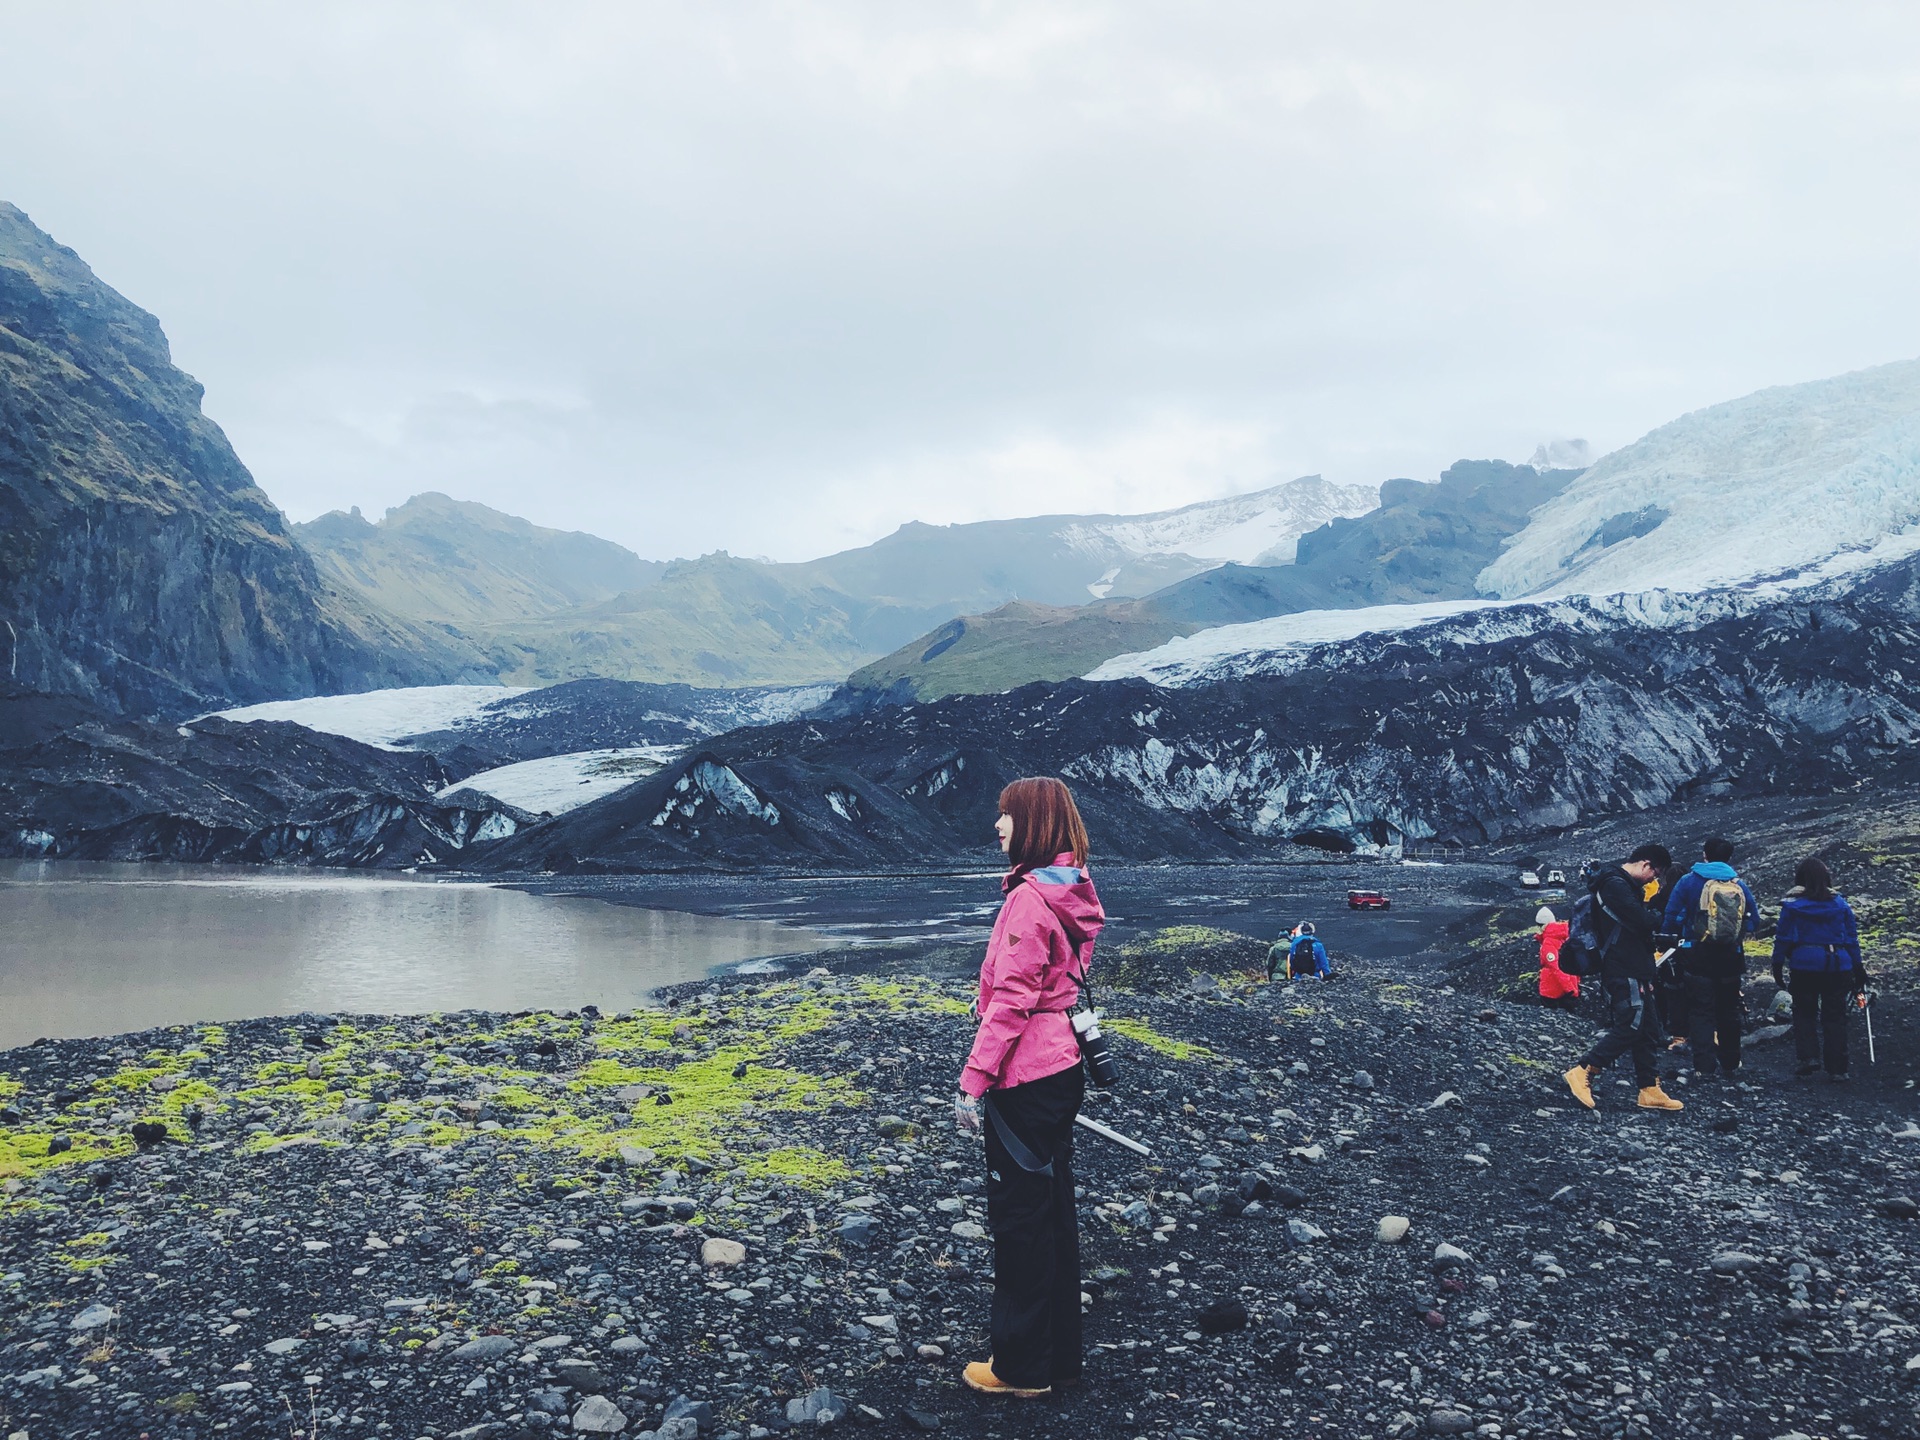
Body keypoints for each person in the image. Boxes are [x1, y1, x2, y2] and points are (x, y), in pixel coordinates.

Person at [955, 776, 1103, 1398]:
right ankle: (1058, 1358)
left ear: (1035, 822)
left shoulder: (1026, 900)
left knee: (1020, 1220)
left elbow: (1013, 1000)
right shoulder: (1068, 892)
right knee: (1051, 1213)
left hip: (1028, 1073)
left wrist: (973, 1079)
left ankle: (1019, 1369)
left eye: (1007, 816)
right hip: (1063, 1066)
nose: (998, 826)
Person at [1563, 843, 1685, 1112]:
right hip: (1622, 967)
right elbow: (1642, 921)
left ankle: (1649, 1089)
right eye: (1656, 873)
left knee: (1649, 1028)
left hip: (1635, 966)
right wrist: (1655, 916)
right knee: (1630, 1024)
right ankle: (1584, 1070)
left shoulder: (1621, 885)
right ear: (1646, 865)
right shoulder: (1614, 884)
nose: (1655, 879)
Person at [1661, 837, 1761, 1081]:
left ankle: (1703, 1067)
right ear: (1728, 857)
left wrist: (1676, 935)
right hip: (1730, 957)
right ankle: (1731, 1063)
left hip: (1697, 956)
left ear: (1705, 854)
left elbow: (1671, 916)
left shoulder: (1688, 881)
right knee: (1728, 1010)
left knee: (1700, 1011)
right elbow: (1754, 921)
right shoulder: (1739, 884)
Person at [1771, 857, 1868, 1082]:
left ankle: (1808, 1057)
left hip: (1804, 964)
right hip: (1837, 964)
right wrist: (1858, 966)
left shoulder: (1791, 905)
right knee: (1835, 1015)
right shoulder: (1840, 904)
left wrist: (1777, 964)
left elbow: (1783, 937)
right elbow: (1851, 938)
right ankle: (1838, 1068)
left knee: (1804, 1011)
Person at [1535, 906, 1579, 1010]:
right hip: (1567, 987)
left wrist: (1570, 989)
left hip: (1552, 992)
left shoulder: (1548, 943)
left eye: (1539, 925)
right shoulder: (1564, 937)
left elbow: (1556, 968)